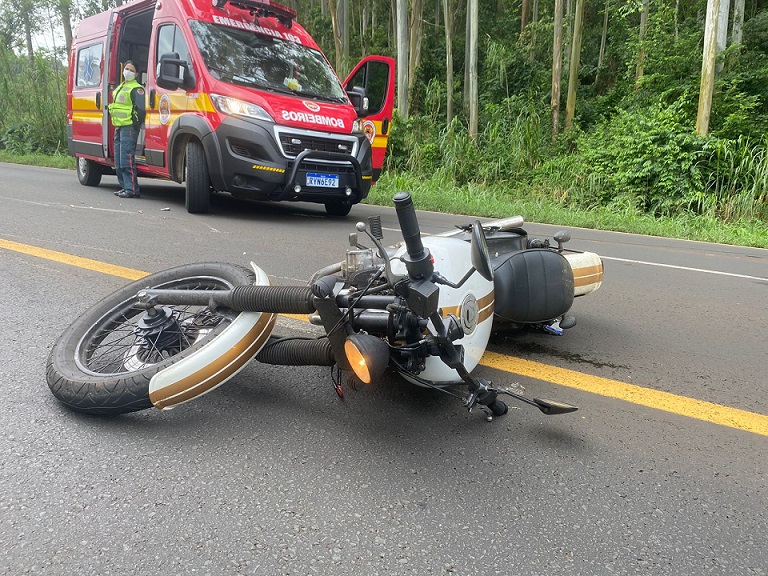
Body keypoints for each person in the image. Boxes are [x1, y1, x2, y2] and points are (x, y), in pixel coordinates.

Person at [108, 61, 146, 198]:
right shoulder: (121, 87)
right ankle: (124, 187)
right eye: (126, 68)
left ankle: (132, 190)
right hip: (119, 126)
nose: (127, 71)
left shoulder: (137, 88)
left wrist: (135, 124)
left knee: (126, 159)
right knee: (118, 161)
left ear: (136, 74)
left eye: (131, 69)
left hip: (129, 127)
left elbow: (141, 110)